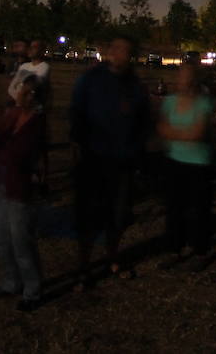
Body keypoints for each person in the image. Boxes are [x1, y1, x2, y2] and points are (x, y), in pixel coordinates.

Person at [69, 35, 151, 286]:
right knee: (90, 215)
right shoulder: (92, 79)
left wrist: (137, 152)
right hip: (94, 159)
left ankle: (112, 256)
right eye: (116, 49)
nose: (120, 54)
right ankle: (84, 264)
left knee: (118, 215)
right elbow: (76, 112)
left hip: (122, 161)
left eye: (125, 50)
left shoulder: (135, 86)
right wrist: (78, 144)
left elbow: (143, 122)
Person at [0, 73, 49, 312]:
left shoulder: (36, 122)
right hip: (3, 183)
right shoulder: (11, 116)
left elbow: (19, 154)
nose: (22, 95)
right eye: (22, 90)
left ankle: (32, 290)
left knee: (21, 241)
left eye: (28, 92)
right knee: (1, 237)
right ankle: (11, 282)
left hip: (21, 188)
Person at [158, 59, 214, 270]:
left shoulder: (204, 103)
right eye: (181, 75)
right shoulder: (170, 101)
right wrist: (184, 134)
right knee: (175, 208)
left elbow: (197, 133)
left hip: (199, 163)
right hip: (175, 161)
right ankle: (175, 247)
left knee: (199, 210)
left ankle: (200, 250)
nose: (183, 80)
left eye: (187, 76)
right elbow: (162, 129)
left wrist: (175, 133)